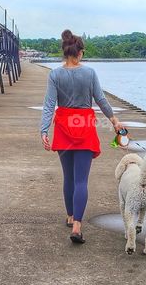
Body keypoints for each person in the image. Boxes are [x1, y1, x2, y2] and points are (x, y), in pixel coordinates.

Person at [41, 30, 123, 244]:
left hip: (63, 127)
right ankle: (77, 224)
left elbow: (50, 104)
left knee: (68, 178)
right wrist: (114, 120)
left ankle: (70, 216)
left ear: (65, 52)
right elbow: (101, 99)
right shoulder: (90, 73)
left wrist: (43, 129)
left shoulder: (55, 75)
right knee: (80, 180)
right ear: (80, 53)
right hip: (84, 125)